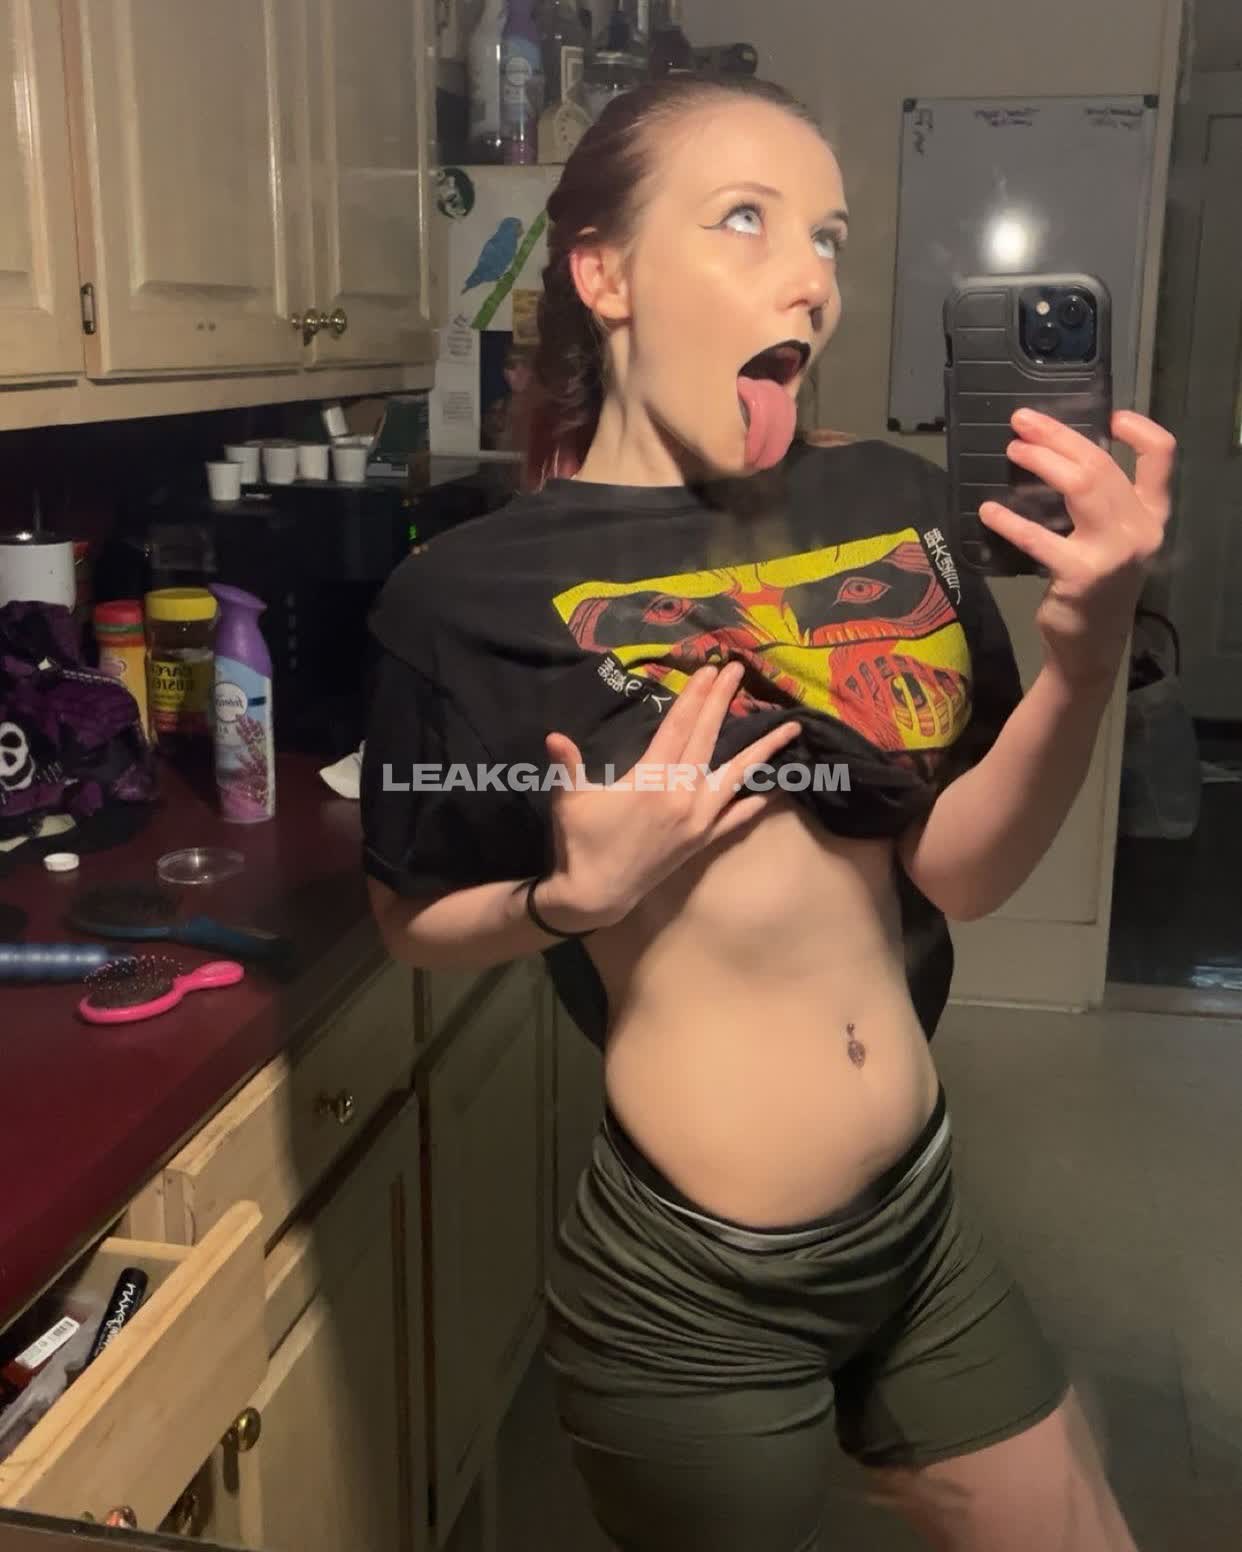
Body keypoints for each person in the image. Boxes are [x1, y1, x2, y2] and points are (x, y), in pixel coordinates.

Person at [361, 76, 1174, 1552]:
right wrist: (566, 902)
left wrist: (1086, 654)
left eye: (828, 236)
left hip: (922, 1227)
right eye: (744, 218)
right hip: (692, 1284)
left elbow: (958, 870)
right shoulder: (461, 597)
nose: (811, 275)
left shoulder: (893, 508)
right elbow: (409, 922)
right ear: (603, 273)